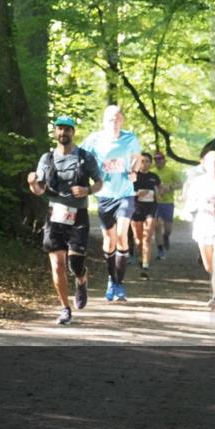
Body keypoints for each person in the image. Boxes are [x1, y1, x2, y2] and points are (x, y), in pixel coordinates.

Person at [27, 116, 103, 325]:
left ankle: (82, 278)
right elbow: (39, 189)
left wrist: (87, 190)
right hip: (54, 216)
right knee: (57, 265)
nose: (63, 133)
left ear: (73, 132)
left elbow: (99, 183)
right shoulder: (47, 158)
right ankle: (64, 308)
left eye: (67, 129)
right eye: (60, 129)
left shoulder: (85, 157)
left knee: (74, 264)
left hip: (78, 215)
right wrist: (32, 182)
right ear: (55, 132)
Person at [80, 105, 142, 302]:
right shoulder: (94, 139)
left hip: (125, 193)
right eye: (110, 119)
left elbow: (138, 159)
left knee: (123, 233)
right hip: (104, 195)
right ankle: (111, 278)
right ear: (104, 121)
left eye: (117, 118)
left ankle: (119, 284)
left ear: (122, 120)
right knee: (109, 240)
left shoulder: (130, 138)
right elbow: (79, 156)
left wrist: (134, 171)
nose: (114, 122)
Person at [184, 150, 215, 311]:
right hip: (203, 226)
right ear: (204, 164)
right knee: (208, 266)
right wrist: (202, 205)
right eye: (211, 162)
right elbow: (190, 204)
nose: (214, 165)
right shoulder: (197, 182)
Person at [130, 152, 161, 280]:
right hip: (136, 209)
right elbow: (126, 191)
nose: (145, 163)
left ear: (150, 163)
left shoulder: (154, 176)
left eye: (148, 161)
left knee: (147, 238)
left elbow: (159, 190)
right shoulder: (133, 176)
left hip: (151, 208)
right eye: (142, 161)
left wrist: (159, 192)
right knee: (138, 239)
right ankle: (140, 255)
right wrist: (137, 193)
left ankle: (145, 266)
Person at [152, 151, 183, 260]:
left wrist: (169, 187)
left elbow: (180, 184)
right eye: (155, 159)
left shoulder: (171, 171)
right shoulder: (152, 172)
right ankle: (160, 250)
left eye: (159, 159)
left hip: (168, 203)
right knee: (157, 226)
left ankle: (166, 237)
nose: (157, 161)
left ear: (164, 160)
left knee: (168, 229)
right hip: (155, 203)